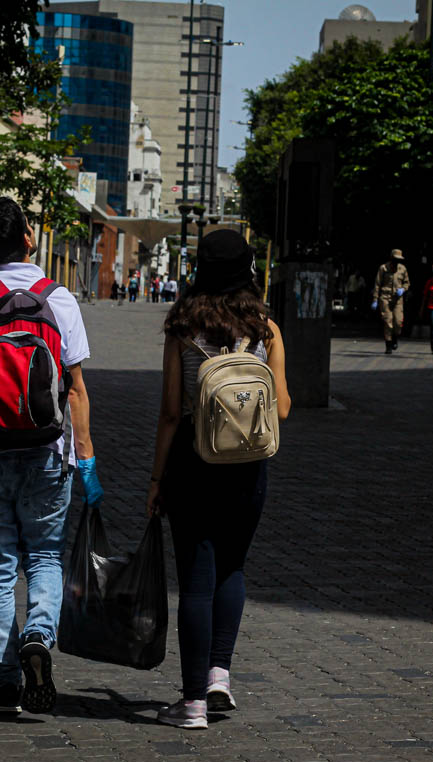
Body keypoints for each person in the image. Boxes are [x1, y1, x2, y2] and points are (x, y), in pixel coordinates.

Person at [0, 197, 100, 716]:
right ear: (29, 237)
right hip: (49, 452)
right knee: (46, 555)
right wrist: (86, 458)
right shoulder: (60, 299)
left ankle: (5, 682)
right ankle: (38, 635)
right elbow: (74, 388)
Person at [145, 230, 292, 729]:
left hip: (192, 464)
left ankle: (190, 704)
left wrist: (155, 479)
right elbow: (284, 407)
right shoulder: (266, 328)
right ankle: (218, 676)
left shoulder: (182, 327)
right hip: (248, 469)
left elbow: (169, 412)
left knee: (195, 581)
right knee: (232, 569)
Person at [371, 248, 410, 353]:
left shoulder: (403, 269)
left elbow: (407, 283)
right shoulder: (383, 268)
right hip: (385, 298)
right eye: (395, 259)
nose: (397, 261)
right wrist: (375, 299)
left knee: (397, 322)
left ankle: (395, 338)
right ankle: (388, 345)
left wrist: (403, 289)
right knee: (388, 322)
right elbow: (377, 284)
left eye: (399, 259)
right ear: (391, 258)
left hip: (398, 299)